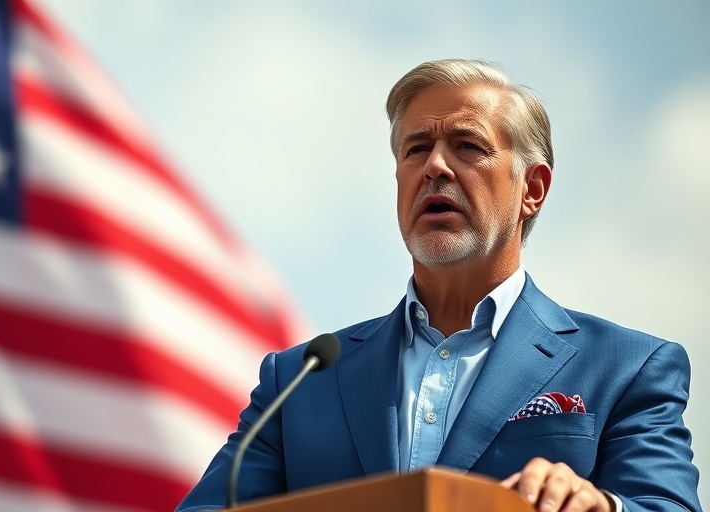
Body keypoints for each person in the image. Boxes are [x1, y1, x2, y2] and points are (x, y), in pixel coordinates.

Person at [176, 59, 701, 512]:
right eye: (416, 149)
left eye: (468, 145)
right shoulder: (297, 381)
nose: (435, 167)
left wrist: (599, 505)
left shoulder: (627, 368)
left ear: (532, 189)